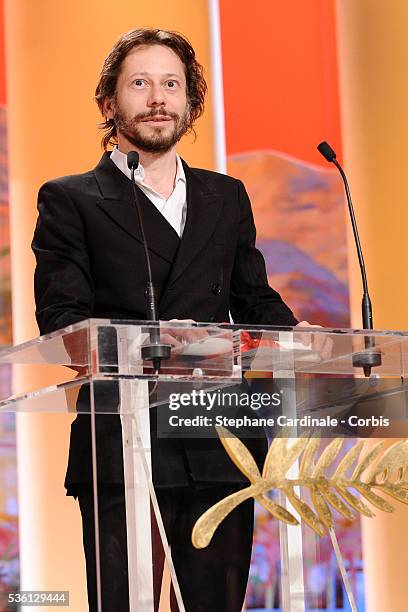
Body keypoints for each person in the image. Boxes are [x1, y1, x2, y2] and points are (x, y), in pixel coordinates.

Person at [32, 28, 315, 612]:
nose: (157, 97)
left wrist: (298, 338)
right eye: (140, 83)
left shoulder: (225, 197)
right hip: (122, 441)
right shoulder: (72, 200)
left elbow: (254, 297)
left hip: (220, 439)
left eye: (171, 84)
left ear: (190, 103)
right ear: (110, 103)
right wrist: (145, 345)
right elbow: (63, 323)